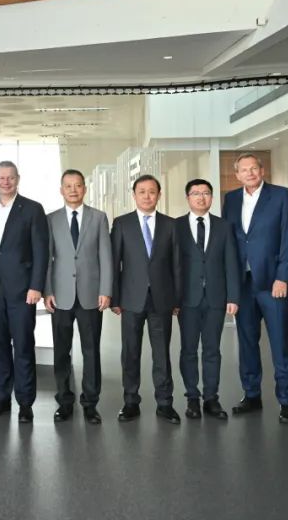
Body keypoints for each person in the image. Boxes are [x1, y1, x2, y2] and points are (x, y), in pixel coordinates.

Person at [222, 153, 288, 424]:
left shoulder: (282, 196)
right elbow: (230, 241)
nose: (250, 173)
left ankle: (287, 401)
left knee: (280, 342)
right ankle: (252, 395)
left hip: (272, 283)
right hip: (243, 285)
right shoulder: (231, 199)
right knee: (246, 342)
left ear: (262, 170)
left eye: (254, 168)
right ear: (237, 175)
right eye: (244, 170)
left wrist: (283, 277)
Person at [0, 161, 48, 424]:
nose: (6, 182)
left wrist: (36, 286)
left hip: (22, 290)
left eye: (10, 177)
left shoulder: (32, 209)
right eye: (1, 178)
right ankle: (1, 399)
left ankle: (25, 403)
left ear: (18, 179)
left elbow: (41, 250)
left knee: (24, 346)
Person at [111, 174, 182, 424]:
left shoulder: (171, 225)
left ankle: (165, 403)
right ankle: (131, 402)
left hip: (162, 299)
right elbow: (114, 262)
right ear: (134, 195)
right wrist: (115, 298)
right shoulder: (122, 223)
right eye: (142, 191)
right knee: (130, 352)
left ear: (159, 195)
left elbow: (177, 265)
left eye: (152, 191)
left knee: (162, 353)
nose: (147, 196)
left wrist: (177, 299)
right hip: (131, 299)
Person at [44, 169, 112, 425]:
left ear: (85, 188)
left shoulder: (99, 217)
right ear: (61, 190)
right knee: (61, 351)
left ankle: (90, 403)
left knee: (91, 350)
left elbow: (106, 257)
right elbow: (47, 258)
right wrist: (47, 291)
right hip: (60, 295)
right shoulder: (51, 219)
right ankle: (64, 401)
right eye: (68, 186)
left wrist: (105, 290)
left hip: (91, 294)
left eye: (78, 185)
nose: (73, 190)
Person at [176, 179, 240, 421]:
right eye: (196, 193)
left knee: (212, 350)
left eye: (206, 193)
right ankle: (192, 398)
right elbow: (172, 265)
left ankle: (211, 398)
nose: (201, 197)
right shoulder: (176, 226)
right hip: (186, 299)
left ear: (212, 197)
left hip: (216, 298)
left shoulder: (224, 227)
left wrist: (233, 296)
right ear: (188, 198)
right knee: (188, 350)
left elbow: (231, 262)